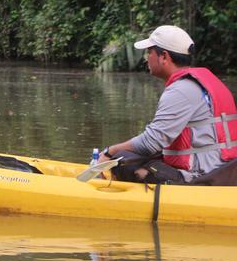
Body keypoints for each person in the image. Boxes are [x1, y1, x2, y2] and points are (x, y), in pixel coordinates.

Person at [100, 25, 237, 184]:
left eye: (149, 52)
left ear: (164, 56)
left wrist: (109, 152)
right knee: (130, 157)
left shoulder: (180, 91)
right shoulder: (201, 83)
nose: (146, 58)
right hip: (225, 169)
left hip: (203, 176)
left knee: (121, 161)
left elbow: (151, 143)